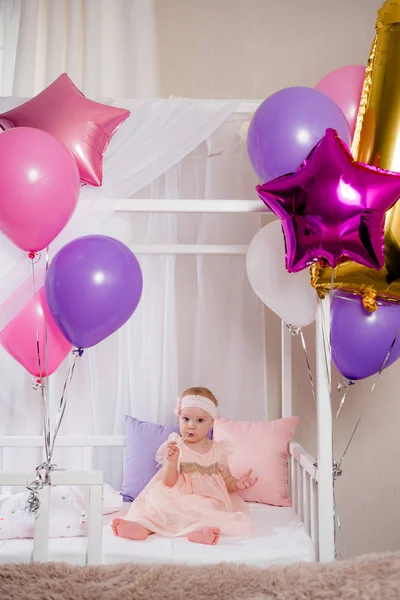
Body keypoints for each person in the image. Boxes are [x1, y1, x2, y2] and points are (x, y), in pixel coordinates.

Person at [111, 387, 257, 545]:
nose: (191, 426)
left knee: (209, 510)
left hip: (207, 498)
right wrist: (171, 461)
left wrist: (236, 483)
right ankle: (142, 527)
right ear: (179, 418)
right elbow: (168, 482)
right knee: (159, 503)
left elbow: (227, 479)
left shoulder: (218, 449)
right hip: (178, 496)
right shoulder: (176, 445)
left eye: (199, 420)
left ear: (211, 423)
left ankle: (200, 532)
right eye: (186, 419)